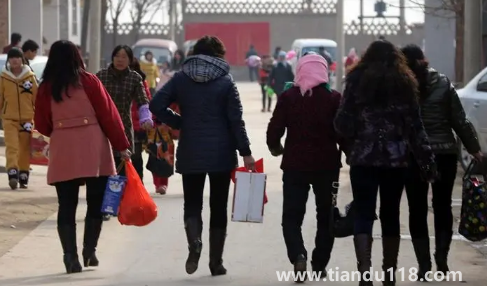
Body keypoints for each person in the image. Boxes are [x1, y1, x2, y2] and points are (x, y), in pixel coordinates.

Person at [150, 35, 255, 276]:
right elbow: (235, 121)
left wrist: (179, 122)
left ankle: (194, 242)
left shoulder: (181, 78)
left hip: (191, 149)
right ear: (219, 54)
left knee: (192, 203)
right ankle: (216, 262)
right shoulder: (226, 81)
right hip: (222, 152)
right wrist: (246, 152)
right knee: (218, 206)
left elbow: (156, 104)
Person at [334, 40, 436, 286]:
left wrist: (354, 137)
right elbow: (415, 126)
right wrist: (427, 161)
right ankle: (389, 274)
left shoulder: (356, 80)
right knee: (390, 214)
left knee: (364, 213)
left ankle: (365, 273)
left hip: (363, 159)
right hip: (395, 161)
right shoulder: (405, 83)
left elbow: (342, 123)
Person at [34, 40, 131, 274]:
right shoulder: (89, 81)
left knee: (66, 205)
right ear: (77, 56)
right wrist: (121, 146)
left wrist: (61, 130)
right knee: (95, 202)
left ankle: (70, 257)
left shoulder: (46, 87)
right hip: (93, 146)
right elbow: (109, 116)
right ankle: (90, 251)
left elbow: (41, 124)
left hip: (63, 148)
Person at [400, 44, 482, 279]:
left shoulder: (402, 87)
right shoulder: (444, 82)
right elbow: (459, 120)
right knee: (442, 206)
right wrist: (474, 148)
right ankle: (442, 261)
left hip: (414, 154)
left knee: (416, 209)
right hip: (444, 152)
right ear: (423, 59)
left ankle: (424, 265)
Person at [267, 54, 345, 282]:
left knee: (291, 216)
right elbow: (343, 132)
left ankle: (298, 254)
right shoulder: (334, 98)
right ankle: (319, 264)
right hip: (327, 167)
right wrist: (351, 154)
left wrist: (276, 148)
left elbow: (274, 129)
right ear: (324, 72)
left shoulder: (289, 96)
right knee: (327, 216)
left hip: (295, 166)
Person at [96, 45, 152, 176]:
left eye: (124, 57)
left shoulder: (134, 78)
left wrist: (145, 117)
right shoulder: (101, 76)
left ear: (130, 60)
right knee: (103, 166)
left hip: (124, 126)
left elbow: (142, 100)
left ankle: (122, 195)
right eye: (117, 56)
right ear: (112, 58)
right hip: (102, 127)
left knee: (122, 167)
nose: (120, 60)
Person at [0, 48, 38, 189]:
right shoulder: (3, 77)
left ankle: (23, 173)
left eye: (17, 57)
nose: (14, 60)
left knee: (25, 148)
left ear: (22, 59)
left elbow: (37, 99)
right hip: (9, 119)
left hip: (28, 119)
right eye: (12, 58)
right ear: (9, 60)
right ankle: (12, 172)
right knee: (12, 146)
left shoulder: (30, 77)